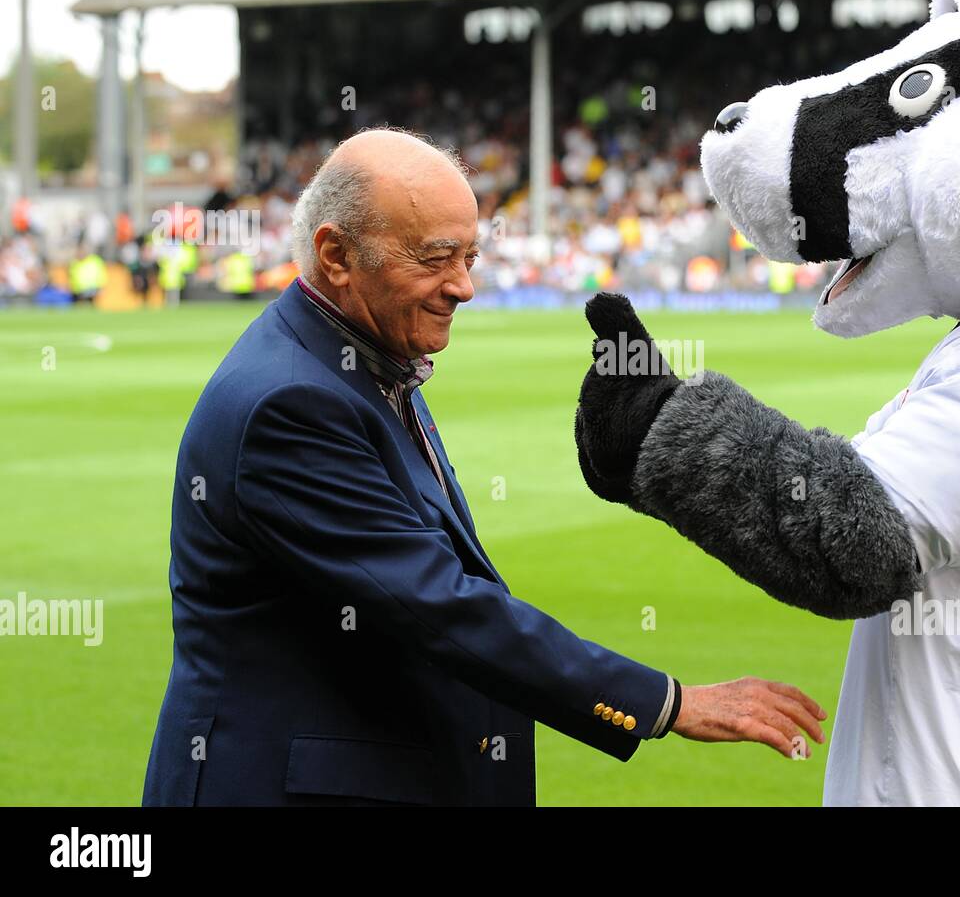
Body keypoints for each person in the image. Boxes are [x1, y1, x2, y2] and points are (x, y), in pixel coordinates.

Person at [142, 128, 825, 806]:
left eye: (469, 256)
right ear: (336, 254)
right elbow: (440, 604)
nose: (463, 286)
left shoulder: (358, 361)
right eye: (437, 257)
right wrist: (666, 702)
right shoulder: (293, 403)